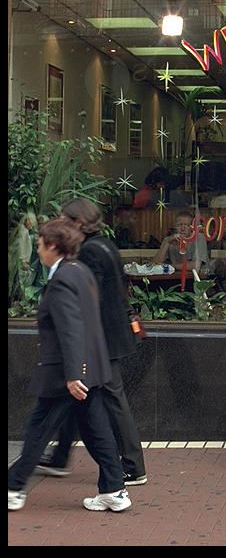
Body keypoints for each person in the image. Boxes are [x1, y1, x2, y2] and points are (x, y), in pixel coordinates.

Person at [8, 219, 131, 512]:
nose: (37, 248)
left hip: (66, 372)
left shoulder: (62, 280)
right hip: (89, 368)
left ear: (53, 246)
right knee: (95, 428)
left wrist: (75, 374)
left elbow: (71, 329)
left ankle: (13, 487)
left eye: (40, 243)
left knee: (39, 427)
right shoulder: (81, 271)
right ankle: (113, 489)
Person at [36, 198, 147, 486]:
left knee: (111, 398)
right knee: (81, 394)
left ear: (78, 224)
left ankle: (134, 466)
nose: (59, 224)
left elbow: (87, 299)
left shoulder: (89, 252)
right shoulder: (105, 245)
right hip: (109, 334)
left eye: (64, 220)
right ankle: (60, 457)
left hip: (102, 339)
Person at [152, 209, 209, 290]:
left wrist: (171, 266)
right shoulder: (169, 239)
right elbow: (155, 264)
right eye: (179, 225)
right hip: (174, 281)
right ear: (175, 227)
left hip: (196, 281)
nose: (183, 228)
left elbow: (195, 266)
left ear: (192, 227)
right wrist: (167, 243)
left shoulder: (199, 238)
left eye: (186, 225)